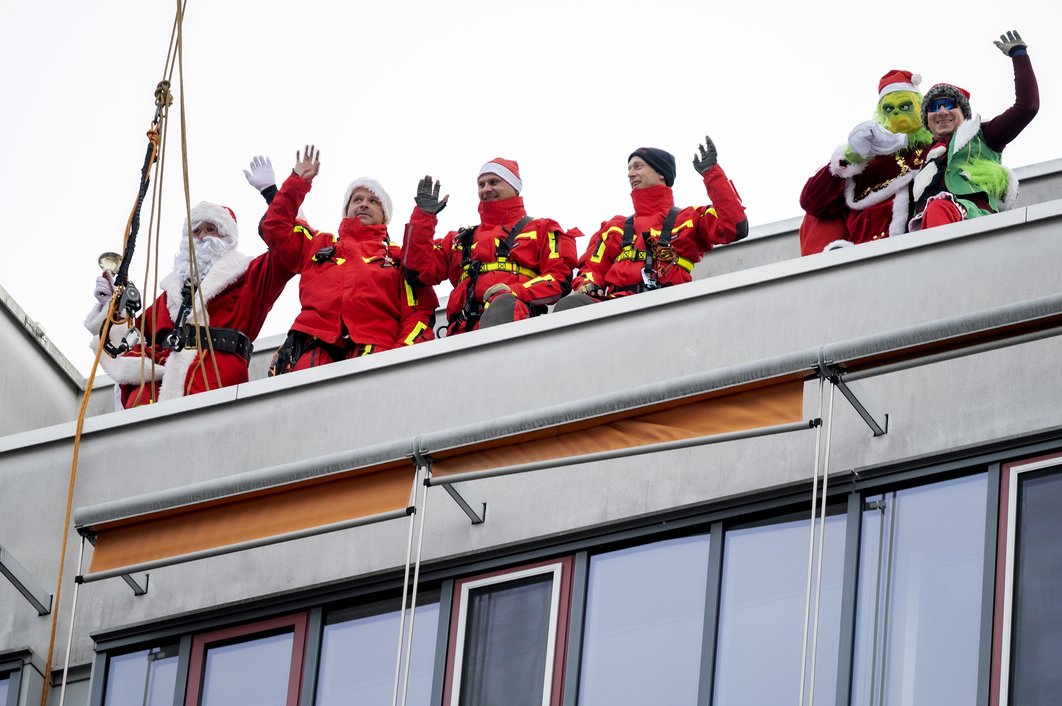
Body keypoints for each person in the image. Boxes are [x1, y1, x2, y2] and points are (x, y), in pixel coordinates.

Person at [85, 202, 292, 408]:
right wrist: (111, 306)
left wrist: (272, 194)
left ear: (227, 238)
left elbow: (287, 252)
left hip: (214, 387)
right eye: (196, 231)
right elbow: (128, 338)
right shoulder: (170, 295)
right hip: (159, 392)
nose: (201, 237)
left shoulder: (248, 278)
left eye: (210, 229)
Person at [261, 146, 437, 372]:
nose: (364, 203)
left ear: (385, 215)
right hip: (314, 348)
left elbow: (419, 313)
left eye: (373, 201)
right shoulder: (319, 244)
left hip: (377, 352)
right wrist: (297, 183)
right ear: (347, 209)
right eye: (357, 199)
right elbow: (275, 229)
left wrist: (398, 361)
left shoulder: (398, 257)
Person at [557, 136, 746, 308]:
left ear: (661, 173)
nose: (630, 174)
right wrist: (588, 284)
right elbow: (591, 267)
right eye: (629, 169)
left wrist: (712, 173)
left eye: (638, 167)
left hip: (669, 304)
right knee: (568, 306)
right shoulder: (614, 228)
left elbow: (734, 227)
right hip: (614, 308)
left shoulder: (690, 218)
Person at [401, 158, 579, 335]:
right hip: (461, 334)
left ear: (515, 187)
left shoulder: (542, 228)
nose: (486, 189)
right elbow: (416, 272)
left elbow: (559, 278)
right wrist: (423, 217)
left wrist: (515, 292)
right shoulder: (459, 240)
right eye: (481, 184)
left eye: (494, 182)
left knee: (503, 305)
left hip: (517, 326)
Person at [909, 30, 1039, 231]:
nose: (942, 111)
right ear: (927, 120)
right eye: (934, 107)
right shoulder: (924, 156)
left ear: (964, 113)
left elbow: (1027, 107)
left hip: (973, 219)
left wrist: (1019, 55)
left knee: (938, 209)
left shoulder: (983, 135)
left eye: (948, 104)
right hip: (926, 224)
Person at [799, 69, 934, 254]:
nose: (896, 114)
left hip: (913, 247)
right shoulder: (867, 155)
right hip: (862, 254)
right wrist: (850, 156)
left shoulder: (935, 146)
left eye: (904, 107)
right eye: (889, 109)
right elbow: (811, 202)